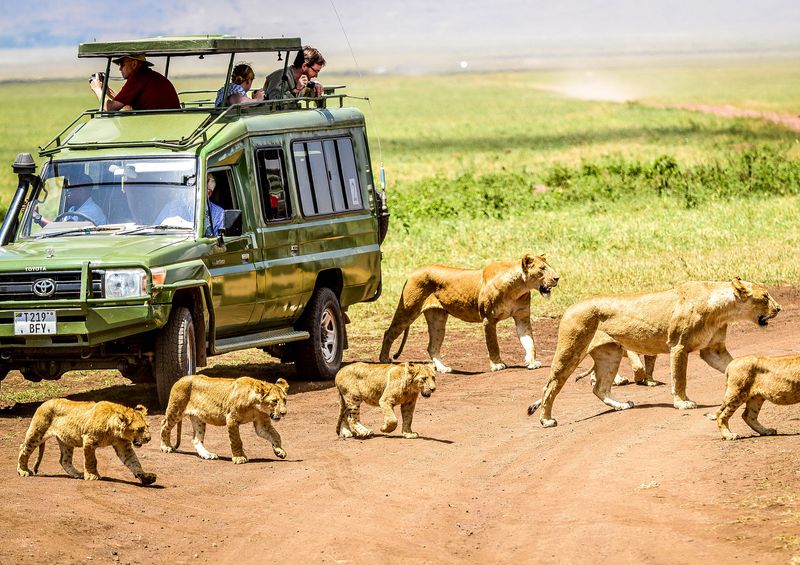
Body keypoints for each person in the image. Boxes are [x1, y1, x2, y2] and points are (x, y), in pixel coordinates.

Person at [89, 54, 180, 111]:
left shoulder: (138, 77)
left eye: (122, 64)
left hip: (157, 124)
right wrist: (108, 92)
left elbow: (109, 108)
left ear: (134, 64)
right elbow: (128, 108)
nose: (120, 69)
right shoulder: (149, 76)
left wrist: (97, 89)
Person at [33, 174, 106, 227]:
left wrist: (37, 216)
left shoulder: (92, 211)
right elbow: (55, 232)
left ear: (83, 191)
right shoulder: (73, 209)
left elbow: (60, 229)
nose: (67, 193)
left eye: (71, 189)